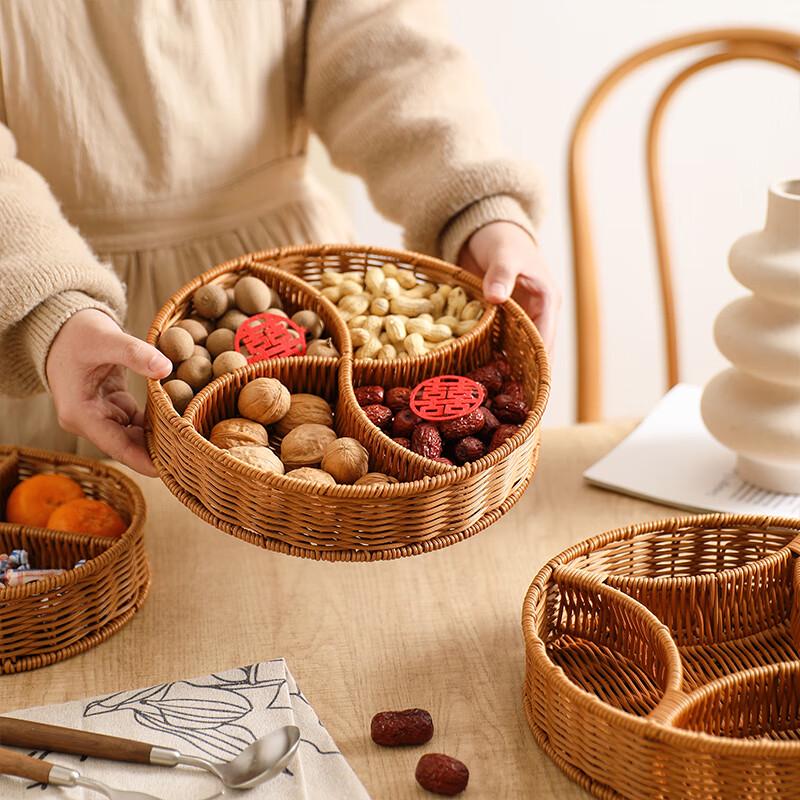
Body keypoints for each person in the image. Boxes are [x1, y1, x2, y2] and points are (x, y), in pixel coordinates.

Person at [0, 0, 560, 476]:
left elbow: (385, 45)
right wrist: (48, 311)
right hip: (42, 290)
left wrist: (476, 204)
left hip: (288, 280)